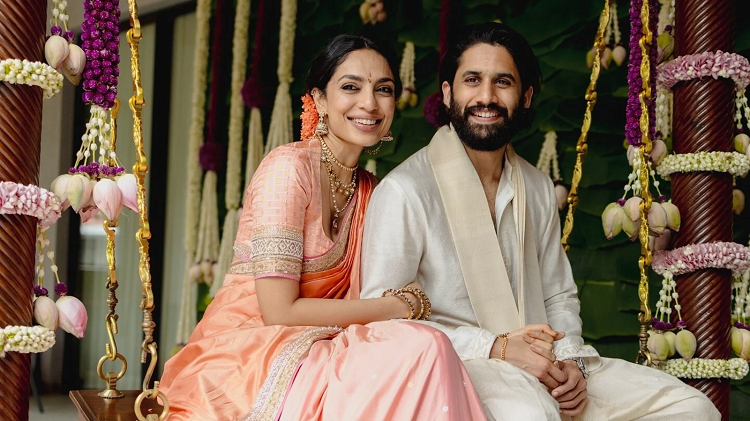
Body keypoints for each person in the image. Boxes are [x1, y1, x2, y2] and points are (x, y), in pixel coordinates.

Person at [360, 22, 721, 421]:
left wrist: (570, 364)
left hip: (548, 362)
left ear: (526, 96)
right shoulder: (406, 191)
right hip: (461, 365)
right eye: (472, 80)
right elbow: (383, 321)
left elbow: (557, 296)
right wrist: (495, 347)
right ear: (448, 93)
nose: (486, 96)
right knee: (533, 415)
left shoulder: (536, 186)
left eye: (502, 82)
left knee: (691, 408)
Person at [159, 35, 488, 421]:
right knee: (422, 345)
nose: (369, 103)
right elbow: (278, 310)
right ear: (319, 100)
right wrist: (398, 306)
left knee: (423, 345)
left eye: (383, 89)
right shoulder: (288, 170)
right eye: (351, 87)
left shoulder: (374, 192)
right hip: (248, 352)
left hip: (328, 341)